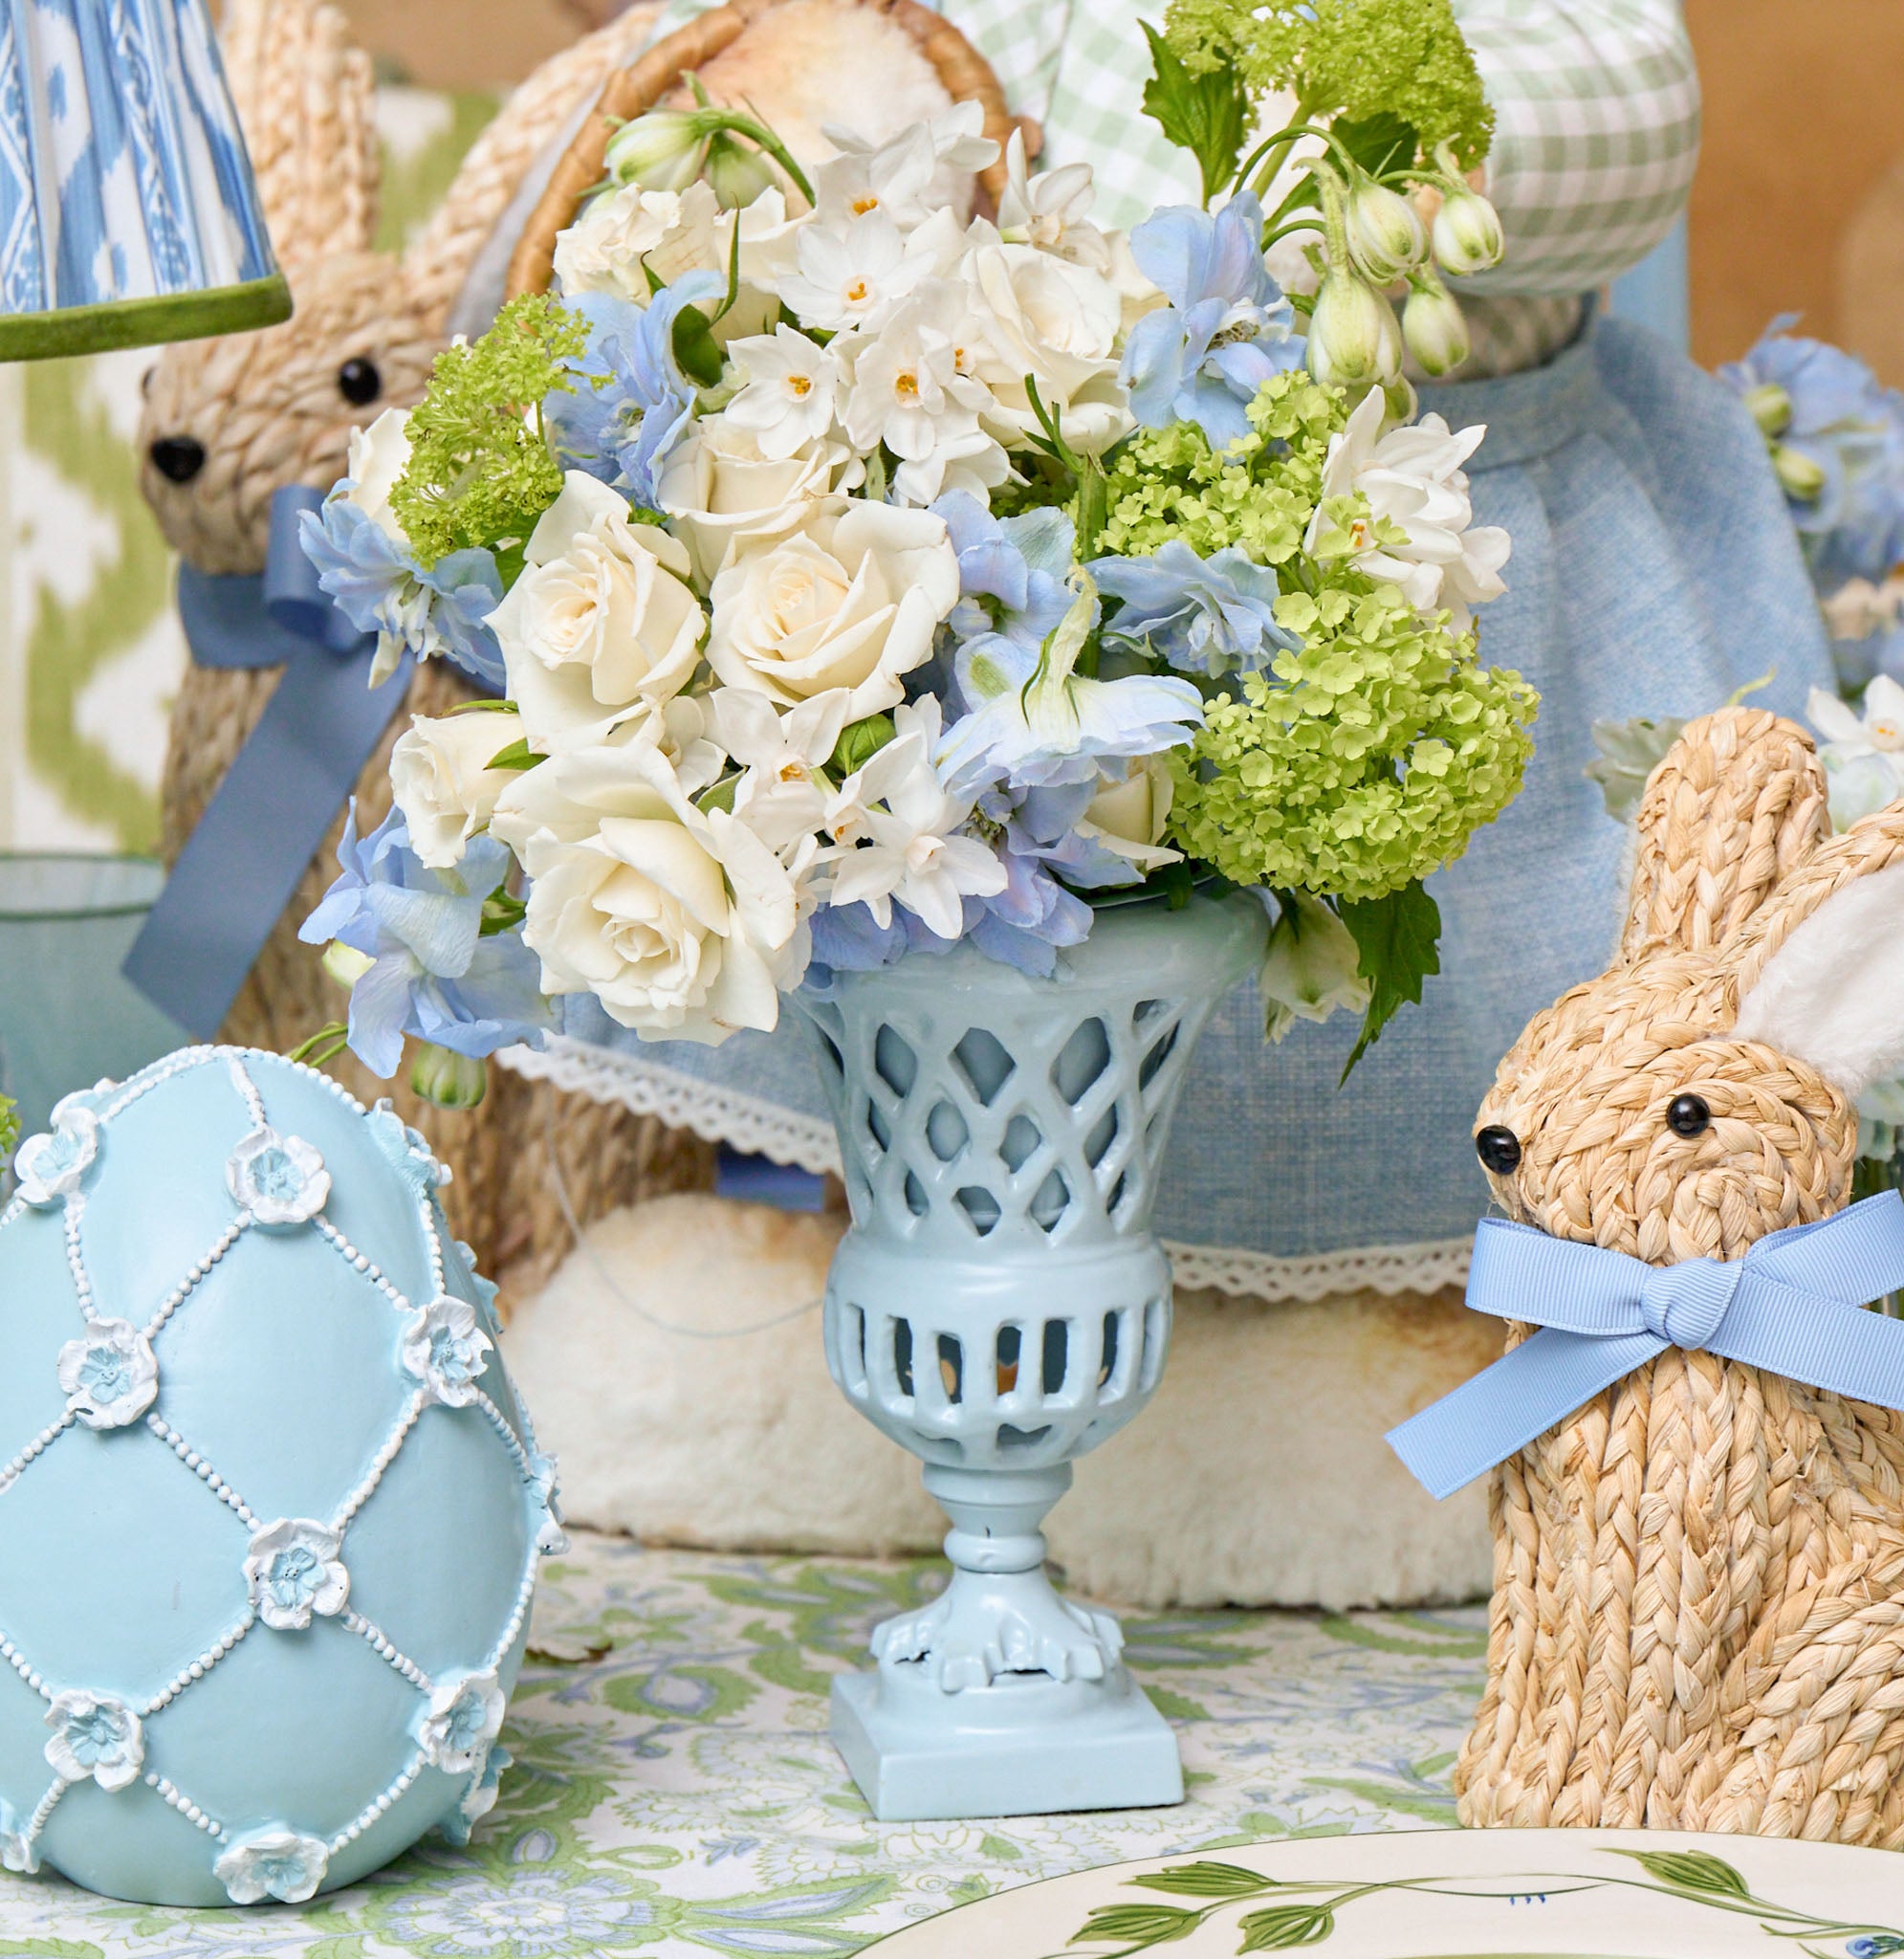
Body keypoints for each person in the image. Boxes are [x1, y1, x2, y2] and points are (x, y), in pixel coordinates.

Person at [549, 0, 1833, 1307]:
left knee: (1544, 994)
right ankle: (1033, 1295)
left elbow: (1634, 107)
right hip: (1062, 500)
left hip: (1463, 514)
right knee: (1053, 952)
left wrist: (1353, 138)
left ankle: (1523, 1313)